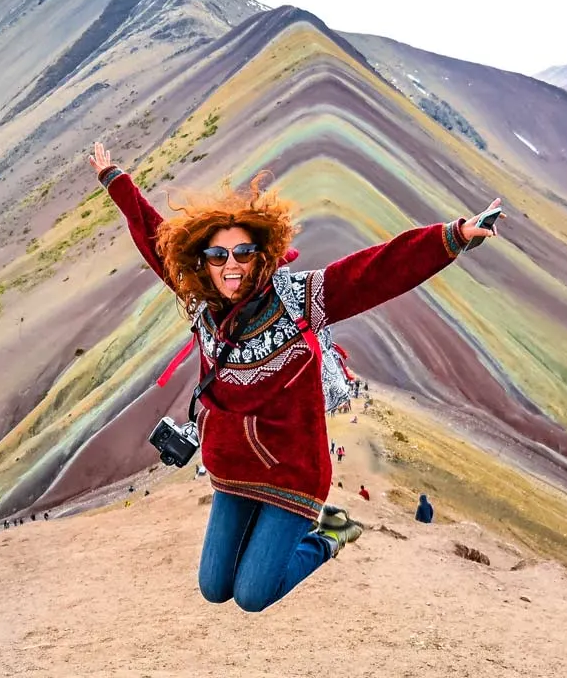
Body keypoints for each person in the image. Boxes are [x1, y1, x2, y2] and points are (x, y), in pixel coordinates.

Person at [90, 142, 501, 613]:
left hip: (292, 471)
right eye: (217, 255)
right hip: (232, 467)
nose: (231, 265)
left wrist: (454, 236)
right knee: (213, 588)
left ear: (261, 254)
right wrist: (116, 182)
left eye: (243, 252)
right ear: (200, 260)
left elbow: (378, 271)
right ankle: (271, 541)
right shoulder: (201, 301)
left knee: (252, 595)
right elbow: (154, 236)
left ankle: (331, 533)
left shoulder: (303, 298)